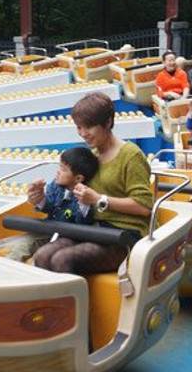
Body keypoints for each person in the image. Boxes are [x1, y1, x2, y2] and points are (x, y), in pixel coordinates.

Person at [28, 92, 153, 275]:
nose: (83, 133)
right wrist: (39, 198)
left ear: (108, 123)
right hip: (91, 230)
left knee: (63, 259)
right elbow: (65, 195)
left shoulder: (130, 155)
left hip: (124, 235)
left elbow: (144, 206)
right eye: (79, 127)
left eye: (89, 127)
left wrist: (99, 199)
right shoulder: (89, 157)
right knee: (42, 255)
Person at [9, 147, 99, 261]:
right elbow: (49, 206)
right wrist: (40, 199)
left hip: (68, 238)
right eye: (59, 166)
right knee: (20, 246)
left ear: (78, 178)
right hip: (49, 230)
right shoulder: (55, 185)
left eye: (63, 169)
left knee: (38, 255)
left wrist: (83, 204)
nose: (58, 171)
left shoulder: (84, 196)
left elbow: (82, 222)